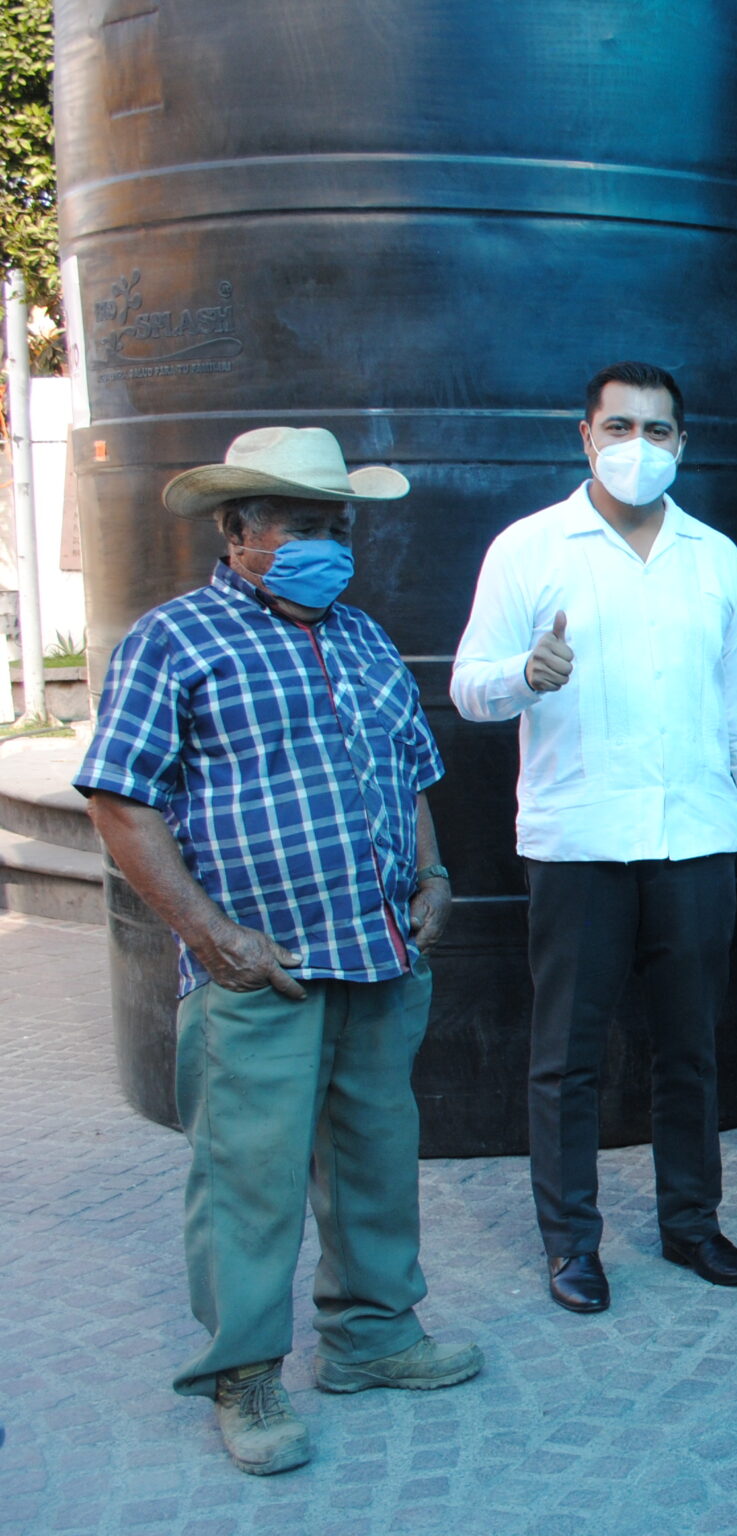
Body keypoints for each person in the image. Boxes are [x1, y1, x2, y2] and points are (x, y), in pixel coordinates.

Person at [77, 426, 482, 1476]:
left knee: (374, 1161)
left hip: (378, 954)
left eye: (338, 527)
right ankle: (245, 1374)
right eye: (304, 527)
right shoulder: (175, 640)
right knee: (247, 1180)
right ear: (238, 530)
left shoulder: (365, 638)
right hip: (260, 968)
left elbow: (409, 773)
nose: (329, 547)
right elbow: (120, 802)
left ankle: (372, 1337)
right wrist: (212, 937)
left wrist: (433, 875)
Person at [452, 363, 737, 1315]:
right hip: (579, 842)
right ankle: (571, 1242)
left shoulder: (713, 557)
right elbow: (468, 686)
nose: (637, 446)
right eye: (619, 427)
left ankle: (691, 1222)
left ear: (683, 442)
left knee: (691, 1046)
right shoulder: (529, 549)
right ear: (585, 436)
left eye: (657, 429)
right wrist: (524, 674)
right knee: (568, 1056)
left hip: (693, 838)